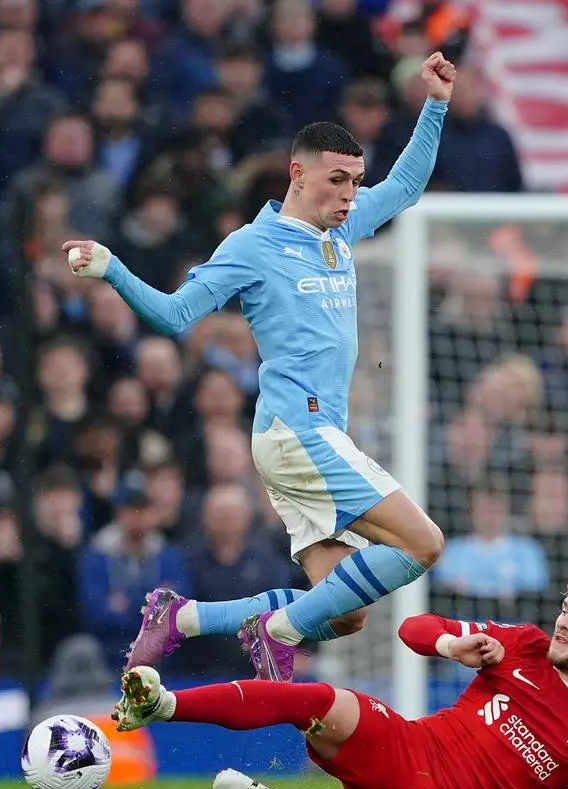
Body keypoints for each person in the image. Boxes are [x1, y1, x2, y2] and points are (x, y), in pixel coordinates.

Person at [64, 53, 457, 681]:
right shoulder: (252, 246)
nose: (349, 194)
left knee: (345, 612)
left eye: (355, 181)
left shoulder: (342, 230)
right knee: (424, 542)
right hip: (297, 432)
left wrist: (435, 104)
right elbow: (173, 316)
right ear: (297, 174)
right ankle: (277, 631)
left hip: (307, 437)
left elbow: (406, 186)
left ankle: (182, 620)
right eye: (337, 180)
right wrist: (112, 267)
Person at [111, 560, 568, 789]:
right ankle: (160, 704)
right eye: (566, 608)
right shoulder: (521, 644)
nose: (563, 621)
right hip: (408, 748)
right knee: (324, 702)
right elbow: (414, 626)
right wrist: (450, 644)